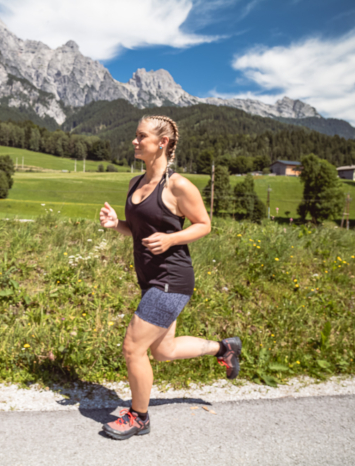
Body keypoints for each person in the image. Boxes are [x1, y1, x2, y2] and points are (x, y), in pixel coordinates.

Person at [99, 115, 242, 441]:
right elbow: (140, 231)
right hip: (151, 279)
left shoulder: (176, 185)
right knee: (163, 351)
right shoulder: (137, 183)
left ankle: (138, 417)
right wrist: (117, 224)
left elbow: (204, 224)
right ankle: (225, 348)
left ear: (162, 143)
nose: (135, 142)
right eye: (136, 136)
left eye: (141, 136)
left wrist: (171, 239)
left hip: (171, 280)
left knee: (133, 348)